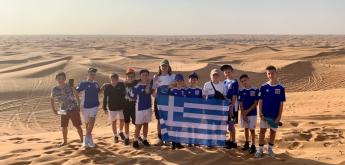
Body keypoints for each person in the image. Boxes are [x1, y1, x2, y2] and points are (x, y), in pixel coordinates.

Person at [255, 65, 286, 158]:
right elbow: (260, 101)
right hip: (264, 115)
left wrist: (279, 117)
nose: (271, 75)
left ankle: (270, 150)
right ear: (267, 75)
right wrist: (260, 113)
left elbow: (281, 103)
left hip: (275, 115)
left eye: (272, 73)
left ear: (276, 74)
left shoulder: (281, 87)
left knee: (273, 133)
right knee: (262, 132)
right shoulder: (263, 86)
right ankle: (260, 150)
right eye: (269, 73)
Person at [50, 72, 83, 147]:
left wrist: (78, 104)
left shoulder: (69, 85)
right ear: (56, 79)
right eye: (59, 79)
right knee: (64, 126)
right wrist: (54, 109)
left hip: (73, 107)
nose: (60, 80)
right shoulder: (55, 89)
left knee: (77, 125)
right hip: (63, 110)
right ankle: (65, 142)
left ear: (65, 79)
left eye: (62, 78)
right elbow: (51, 99)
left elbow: (76, 94)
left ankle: (82, 140)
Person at [152, 59, 176, 146]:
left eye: (165, 66)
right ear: (160, 67)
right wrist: (154, 93)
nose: (164, 67)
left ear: (168, 67)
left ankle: (167, 138)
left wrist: (171, 85)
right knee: (159, 119)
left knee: (168, 119)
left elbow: (177, 85)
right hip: (159, 101)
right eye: (162, 66)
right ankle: (160, 138)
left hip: (169, 100)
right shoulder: (156, 77)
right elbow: (153, 89)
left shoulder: (173, 76)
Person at [76, 67, 100, 148]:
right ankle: (90, 140)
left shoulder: (96, 83)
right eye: (91, 74)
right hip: (85, 107)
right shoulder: (83, 83)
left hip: (94, 106)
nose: (93, 75)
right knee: (87, 124)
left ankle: (86, 139)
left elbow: (99, 91)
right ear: (88, 73)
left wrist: (104, 88)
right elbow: (77, 91)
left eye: (94, 74)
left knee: (92, 122)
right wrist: (72, 88)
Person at [102, 73, 126, 144]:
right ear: (110, 79)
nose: (113, 81)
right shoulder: (107, 87)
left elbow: (128, 83)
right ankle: (115, 135)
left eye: (115, 79)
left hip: (121, 106)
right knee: (114, 122)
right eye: (112, 79)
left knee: (122, 120)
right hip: (112, 107)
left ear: (117, 79)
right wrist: (104, 107)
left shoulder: (121, 85)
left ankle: (121, 132)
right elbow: (105, 98)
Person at [238, 74, 259, 154]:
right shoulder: (241, 90)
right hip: (244, 114)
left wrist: (247, 111)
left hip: (252, 113)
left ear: (248, 79)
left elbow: (256, 103)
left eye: (245, 80)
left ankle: (253, 145)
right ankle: (246, 143)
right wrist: (243, 113)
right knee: (245, 128)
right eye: (242, 81)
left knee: (252, 129)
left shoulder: (255, 89)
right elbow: (240, 102)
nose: (244, 82)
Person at [132, 69, 153, 149]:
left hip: (148, 107)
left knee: (146, 124)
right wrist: (148, 83)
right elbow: (147, 91)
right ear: (140, 76)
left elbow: (151, 92)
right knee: (138, 125)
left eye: (146, 75)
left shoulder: (150, 84)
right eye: (143, 75)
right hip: (140, 108)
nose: (145, 76)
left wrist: (150, 83)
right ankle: (135, 140)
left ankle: (144, 139)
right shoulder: (137, 86)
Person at [221, 64, 239, 149]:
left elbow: (235, 95)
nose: (227, 73)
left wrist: (231, 107)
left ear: (232, 72)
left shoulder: (235, 82)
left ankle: (233, 141)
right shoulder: (224, 82)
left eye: (229, 72)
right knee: (228, 123)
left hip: (232, 106)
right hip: (225, 106)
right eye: (225, 72)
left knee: (231, 124)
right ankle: (230, 139)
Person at [168, 73, 185, 150]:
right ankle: (173, 142)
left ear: (182, 81)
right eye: (177, 80)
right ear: (175, 81)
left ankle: (178, 142)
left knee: (179, 127)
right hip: (174, 111)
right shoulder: (172, 90)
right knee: (173, 127)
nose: (179, 81)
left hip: (181, 110)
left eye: (180, 80)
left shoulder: (184, 90)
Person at [123, 68, 139, 145]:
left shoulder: (137, 83)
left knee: (136, 122)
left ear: (134, 76)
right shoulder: (123, 84)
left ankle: (137, 136)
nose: (130, 77)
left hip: (134, 106)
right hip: (126, 106)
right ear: (126, 76)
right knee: (126, 122)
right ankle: (126, 137)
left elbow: (144, 80)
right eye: (129, 76)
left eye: (132, 76)